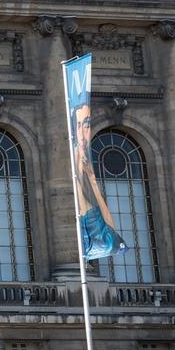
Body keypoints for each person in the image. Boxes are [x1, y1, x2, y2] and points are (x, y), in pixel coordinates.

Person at [70, 104, 122, 258]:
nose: (81, 131)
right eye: (77, 125)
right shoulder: (73, 163)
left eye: (86, 124)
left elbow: (110, 233)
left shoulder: (85, 164)